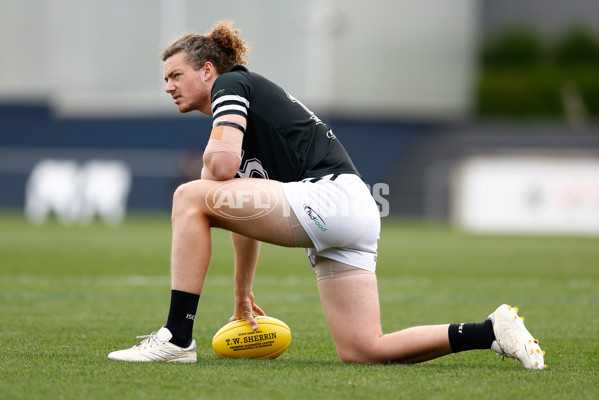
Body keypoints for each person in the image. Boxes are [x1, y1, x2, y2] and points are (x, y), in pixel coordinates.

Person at [108, 20, 546, 369]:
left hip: (329, 199)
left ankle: (177, 337)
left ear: (207, 71)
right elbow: (239, 208)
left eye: (176, 76)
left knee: (188, 195)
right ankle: (489, 331)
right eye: (166, 79)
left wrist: (208, 166)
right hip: (351, 209)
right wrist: (243, 292)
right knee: (363, 350)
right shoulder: (239, 109)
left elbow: (220, 170)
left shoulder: (231, 85)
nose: (169, 86)